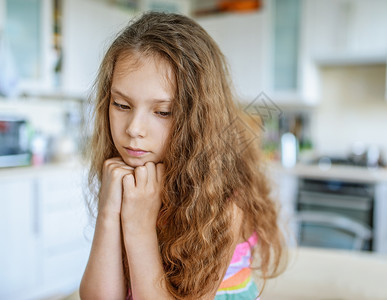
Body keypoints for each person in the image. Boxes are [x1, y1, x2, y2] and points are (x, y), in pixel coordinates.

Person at [79, 11, 286, 300]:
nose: (134, 129)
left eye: (163, 111)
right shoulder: (128, 176)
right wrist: (108, 214)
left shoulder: (226, 205)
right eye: (121, 105)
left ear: (199, 119)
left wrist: (139, 227)